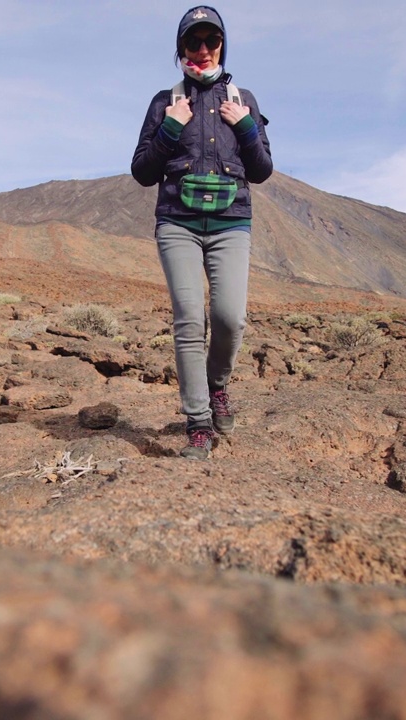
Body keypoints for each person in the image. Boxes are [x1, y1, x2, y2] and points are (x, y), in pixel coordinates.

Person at [131, 6, 273, 460]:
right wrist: (171, 126)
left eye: (211, 40)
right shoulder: (164, 101)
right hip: (178, 223)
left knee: (231, 319)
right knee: (190, 320)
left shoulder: (243, 97)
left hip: (232, 223)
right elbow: (142, 172)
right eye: (193, 42)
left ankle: (216, 386)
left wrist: (246, 125)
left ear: (222, 45)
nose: (203, 49)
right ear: (181, 49)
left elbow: (263, 170)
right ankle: (198, 424)